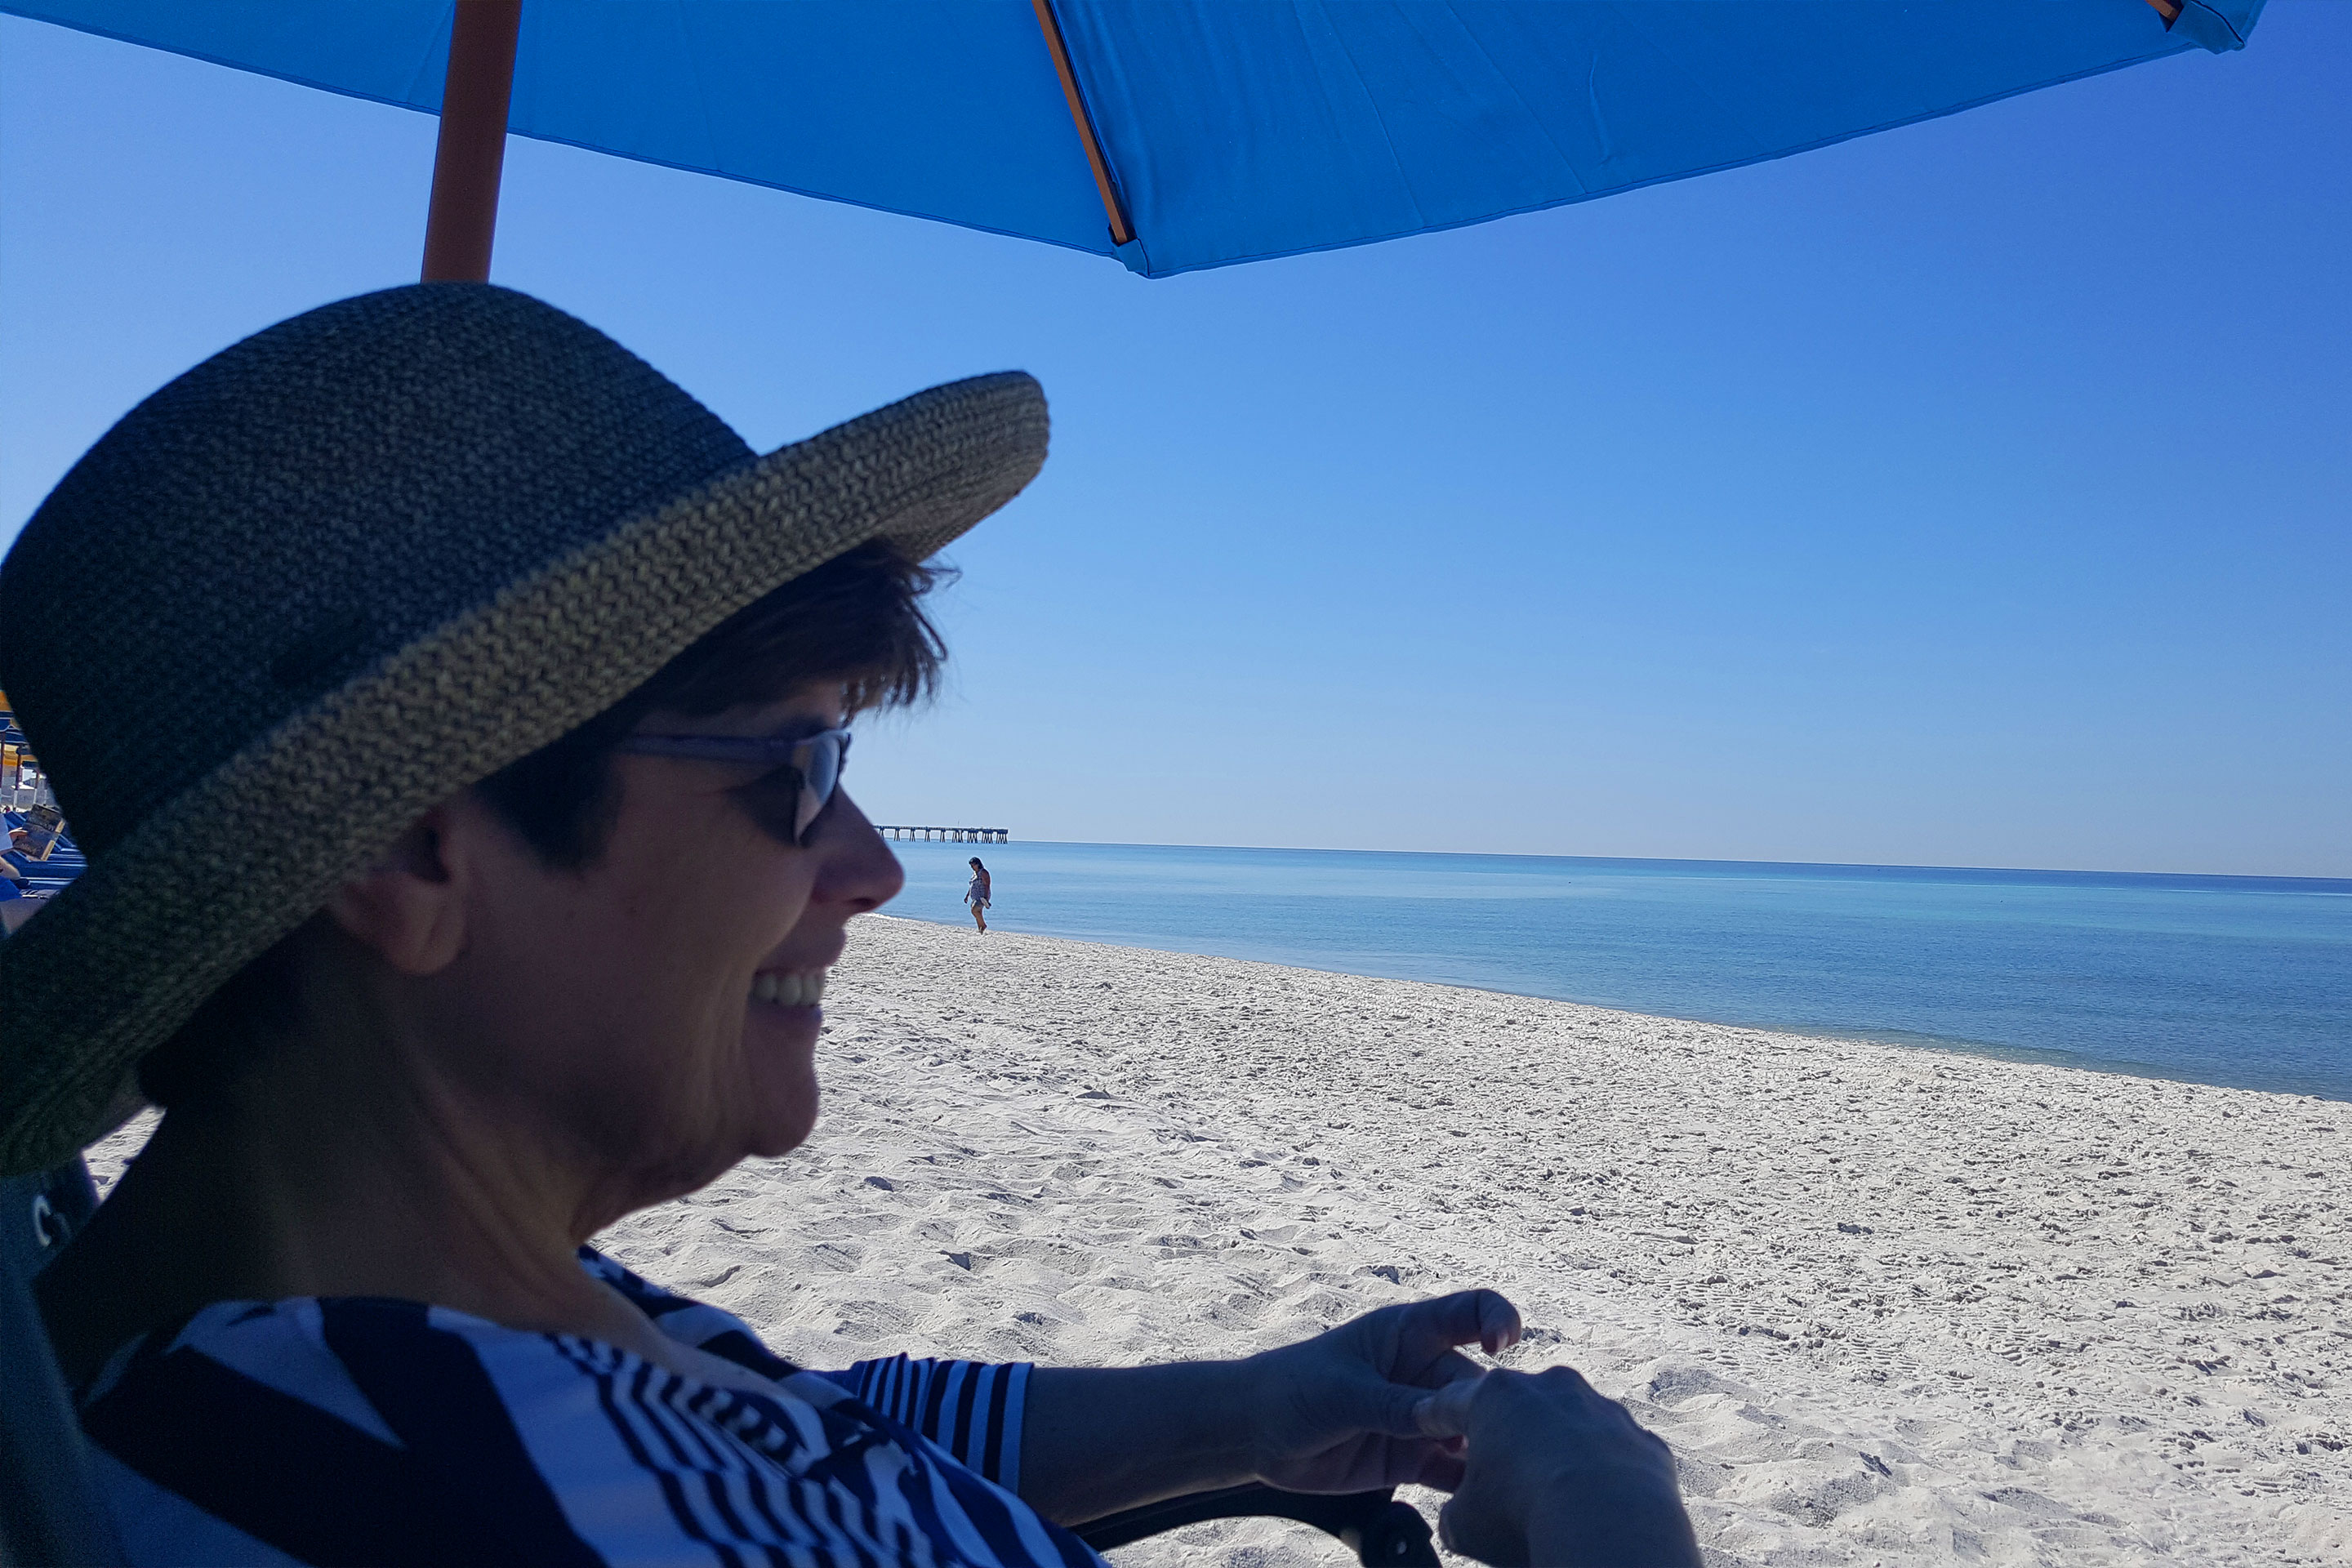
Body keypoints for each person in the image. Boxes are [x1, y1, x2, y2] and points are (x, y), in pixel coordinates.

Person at [0, 286, 1698, 1567]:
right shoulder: (462, 1505)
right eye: (797, 766)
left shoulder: (378, 1312)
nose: (872, 862)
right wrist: (1615, 1518)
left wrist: (1258, 1412)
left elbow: (813, 1428)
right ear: (412, 857)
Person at [967, 854, 993, 933]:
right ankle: (980, 929)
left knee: (974, 910)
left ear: (978, 864)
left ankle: (983, 925)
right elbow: (972, 885)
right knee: (979, 912)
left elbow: (987, 885)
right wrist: (967, 896)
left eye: (973, 865)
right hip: (975, 896)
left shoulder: (983, 872)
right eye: (971, 865)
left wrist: (986, 897)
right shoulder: (975, 873)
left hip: (982, 896)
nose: (972, 867)